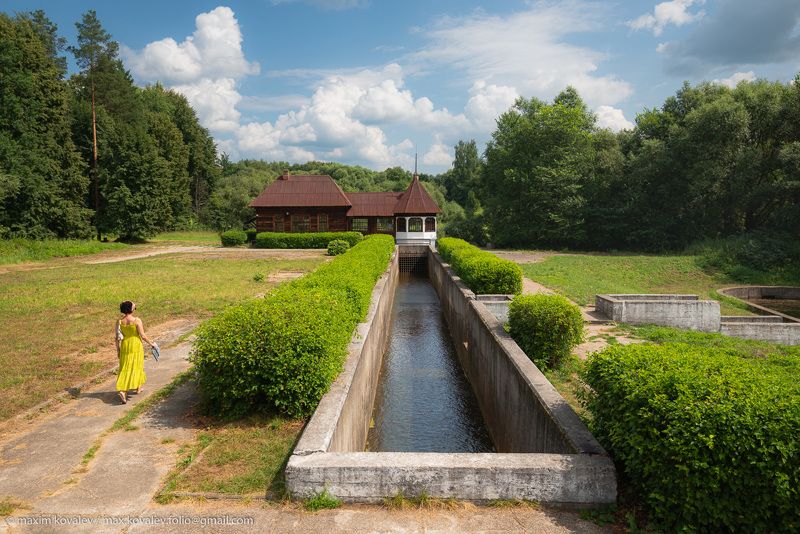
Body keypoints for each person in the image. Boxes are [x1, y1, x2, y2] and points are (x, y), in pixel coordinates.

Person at [115, 300, 158, 404]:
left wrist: (118, 350)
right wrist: (151, 344)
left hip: (125, 345)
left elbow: (117, 338)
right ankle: (127, 389)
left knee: (125, 367)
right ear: (131, 309)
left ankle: (130, 389)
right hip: (136, 345)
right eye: (134, 305)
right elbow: (142, 335)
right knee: (137, 365)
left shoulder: (119, 322)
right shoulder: (137, 320)